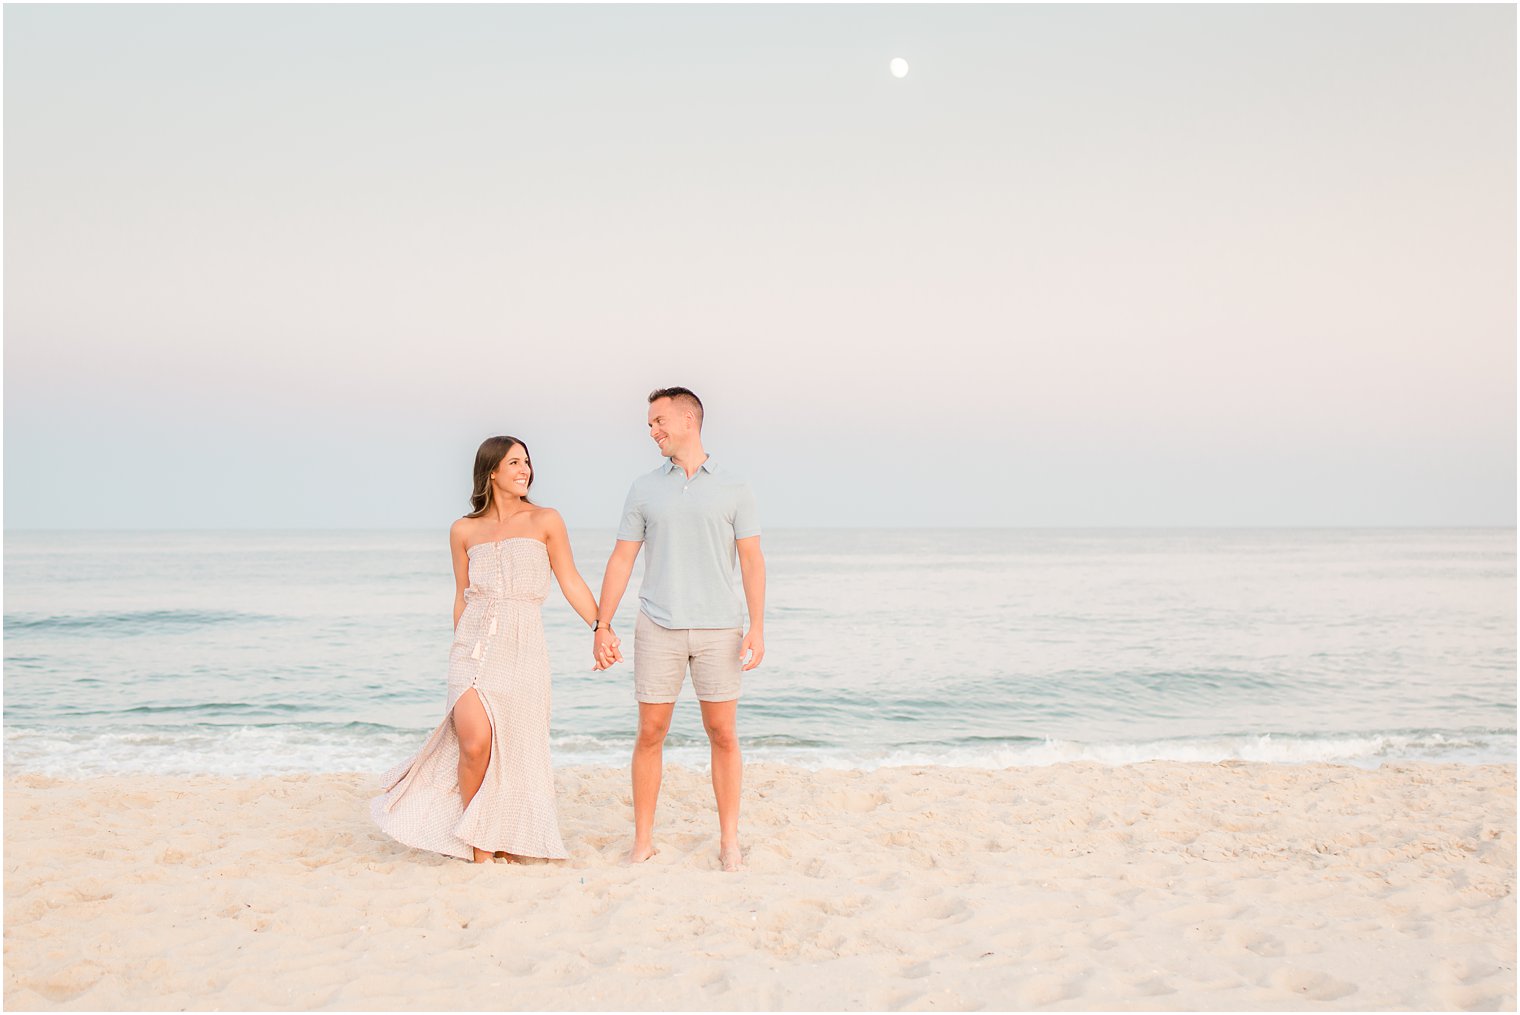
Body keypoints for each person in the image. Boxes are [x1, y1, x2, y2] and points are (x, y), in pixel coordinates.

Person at [372, 435, 603, 864]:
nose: (524, 470)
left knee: (516, 745)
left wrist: (600, 626)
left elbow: (570, 579)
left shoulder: (545, 520)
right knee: (474, 742)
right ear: (491, 470)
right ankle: (478, 846)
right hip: (471, 647)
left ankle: (505, 837)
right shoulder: (464, 529)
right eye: (514, 462)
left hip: (524, 643)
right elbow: (461, 593)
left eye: (527, 463)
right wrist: (461, 641)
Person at [593, 387, 766, 872]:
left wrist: (757, 626)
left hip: (719, 629)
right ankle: (642, 841)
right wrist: (602, 624)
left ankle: (729, 841)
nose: (653, 431)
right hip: (658, 625)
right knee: (651, 731)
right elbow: (623, 556)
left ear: (689, 420)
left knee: (722, 733)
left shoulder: (736, 487)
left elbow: (751, 560)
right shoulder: (644, 488)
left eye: (659, 421)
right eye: (650, 424)